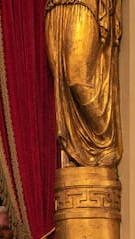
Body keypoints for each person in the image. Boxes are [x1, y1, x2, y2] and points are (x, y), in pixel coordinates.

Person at [45, 0, 122, 168]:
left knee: (76, 77)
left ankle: (105, 143)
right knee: (61, 81)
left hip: (84, 4)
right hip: (54, 7)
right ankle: (78, 153)